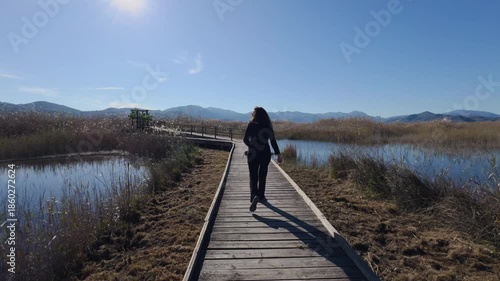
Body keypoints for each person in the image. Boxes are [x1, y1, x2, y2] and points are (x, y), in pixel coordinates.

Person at [243, 106, 283, 212]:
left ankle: (253, 196)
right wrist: (278, 154)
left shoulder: (251, 124)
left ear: (255, 114)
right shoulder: (267, 126)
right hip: (265, 152)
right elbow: (273, 141)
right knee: (263, 174)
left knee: (253, 176)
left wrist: (251, 145)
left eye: (253, 112)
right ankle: (261, 196)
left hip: (253, 153)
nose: (252, 113)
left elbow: (245, 140)